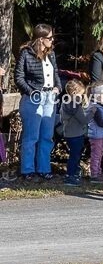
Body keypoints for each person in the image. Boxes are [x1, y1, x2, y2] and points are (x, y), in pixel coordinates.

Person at [15, 24, 60, 182]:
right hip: (33, 98)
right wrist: (31, 91)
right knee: (31, 137)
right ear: (41, 39)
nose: (52, 40)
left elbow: (56, 74)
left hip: (50, 98)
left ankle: (44, 168)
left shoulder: (51, 54)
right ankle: (28, 170)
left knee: (47, 136)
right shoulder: (26, 54)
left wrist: (58, 88)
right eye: (50, 38)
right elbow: (19, 77)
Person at [59, 79, 90, 186]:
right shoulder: (75, 106)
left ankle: (74, 173)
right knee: (75, 156)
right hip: (76, 134)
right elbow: (84, 120)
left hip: (68, 133)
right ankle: (70, 175)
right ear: (74, 93)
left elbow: (61, 118)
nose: (81, 97)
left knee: (74, 154)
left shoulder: (64, 103)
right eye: (81, 94)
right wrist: (92, 112)